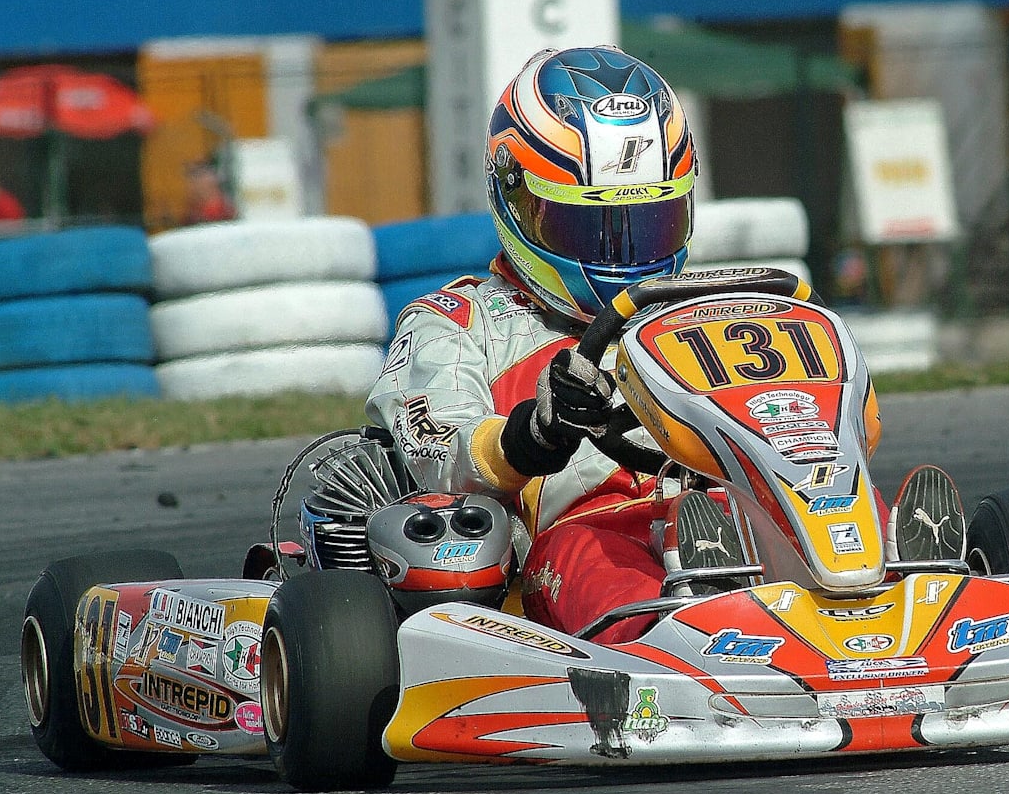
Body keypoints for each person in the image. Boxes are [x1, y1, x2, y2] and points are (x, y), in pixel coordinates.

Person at [366, 45, 965, 645]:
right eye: (590, 228)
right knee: (614, 585)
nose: (624, 255)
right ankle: (679, 646)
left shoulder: (715, 311)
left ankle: (922, 592)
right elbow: (431, 449)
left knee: (863, 529)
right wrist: (534, 434)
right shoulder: (462, 322)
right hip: (587, 530)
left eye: (647, 225)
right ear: (517, 199)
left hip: (745, 505)